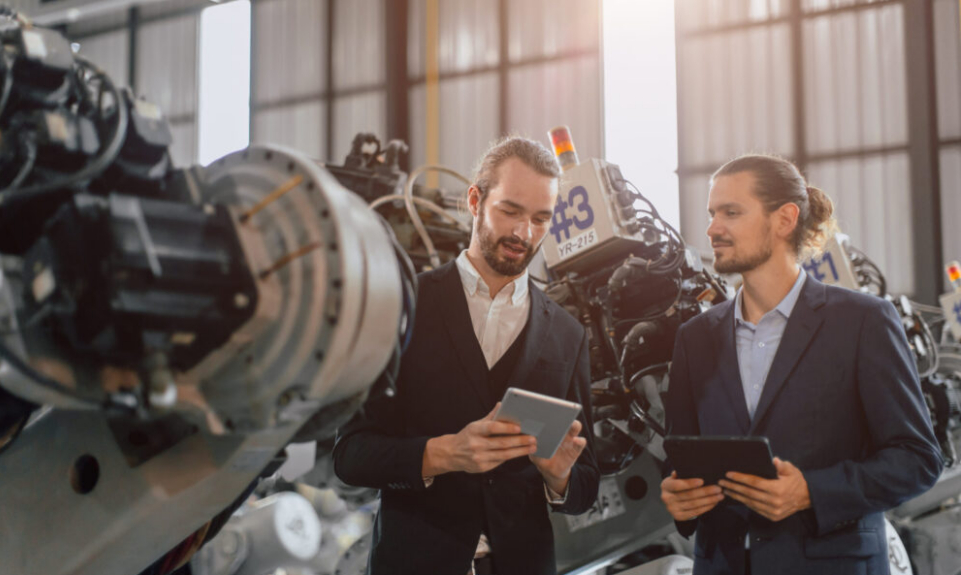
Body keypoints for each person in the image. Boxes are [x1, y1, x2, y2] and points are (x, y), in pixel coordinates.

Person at [660, 154, 942, 575]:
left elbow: (917, 459)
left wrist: (811, 491)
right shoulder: (695, 338)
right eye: (712, 213)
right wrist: (679, 497)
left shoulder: (862, 322)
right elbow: (680, 460)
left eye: (731, 213)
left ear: (784, 219)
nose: (712, 228)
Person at [333, 137, 599, 575]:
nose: (523, 233)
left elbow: (587, 483)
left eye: (540, 218)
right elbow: (351, 454)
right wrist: (445, 453)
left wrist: (560, 476)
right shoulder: (405, 305)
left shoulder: (567, 333)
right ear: (475, 200)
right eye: (510, 211)